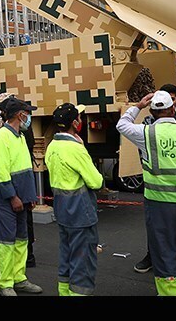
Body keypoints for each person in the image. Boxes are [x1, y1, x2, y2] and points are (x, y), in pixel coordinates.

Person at [116, 91, 176, 296]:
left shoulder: (146, 133)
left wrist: (138, 106)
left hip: (160, 204)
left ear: (152, 111)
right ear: (172, 109)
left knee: (165, 255)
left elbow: (122, 125)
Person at [134, 83, 176, 274]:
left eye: (171, 98)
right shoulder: (148, 123)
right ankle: (151, 256)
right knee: (160, 240)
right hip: (160, 193)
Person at [47, 103, 103, 296]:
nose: (81, 120)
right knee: (83, 263)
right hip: (81, 213)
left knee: (67, 259)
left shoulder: (52, 146)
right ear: (74, 123)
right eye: (79, 117)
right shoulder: (75, 149)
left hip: (62, 212)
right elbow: (96, 181)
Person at [0, 96, 43, 296]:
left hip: (21, 198)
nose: (29, 117)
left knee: (21, 240)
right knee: (6, 242)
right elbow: (2, 173)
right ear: (20, 115)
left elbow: (24, 169)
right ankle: (6, 283)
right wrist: (13, 197)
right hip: (6, 200)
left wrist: (29, 196)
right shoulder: (2, 137)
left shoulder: (18, 137)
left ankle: (19, 278)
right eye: (27, 113)